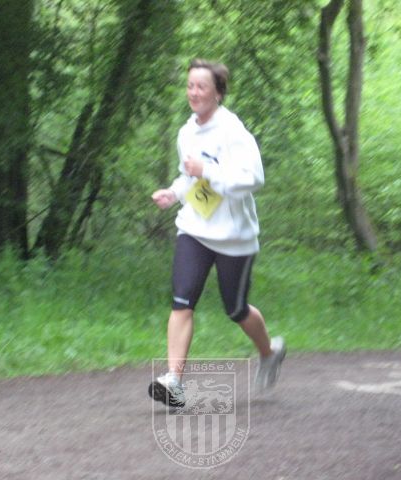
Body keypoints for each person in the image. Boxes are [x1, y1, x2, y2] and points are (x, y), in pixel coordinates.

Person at [149, 59, 285, 408]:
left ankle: (269, 352)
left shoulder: (233, 131)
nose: (194, 93)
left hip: (234, 237)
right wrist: (173, 193)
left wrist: (207, 169)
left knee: (235, 309)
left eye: (202, 87)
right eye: (190, 86)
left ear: (218, 93)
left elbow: (253, 178)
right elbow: (188, 178)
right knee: (182, 301)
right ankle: (174, 381)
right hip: (194, 229)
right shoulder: (186, 132)